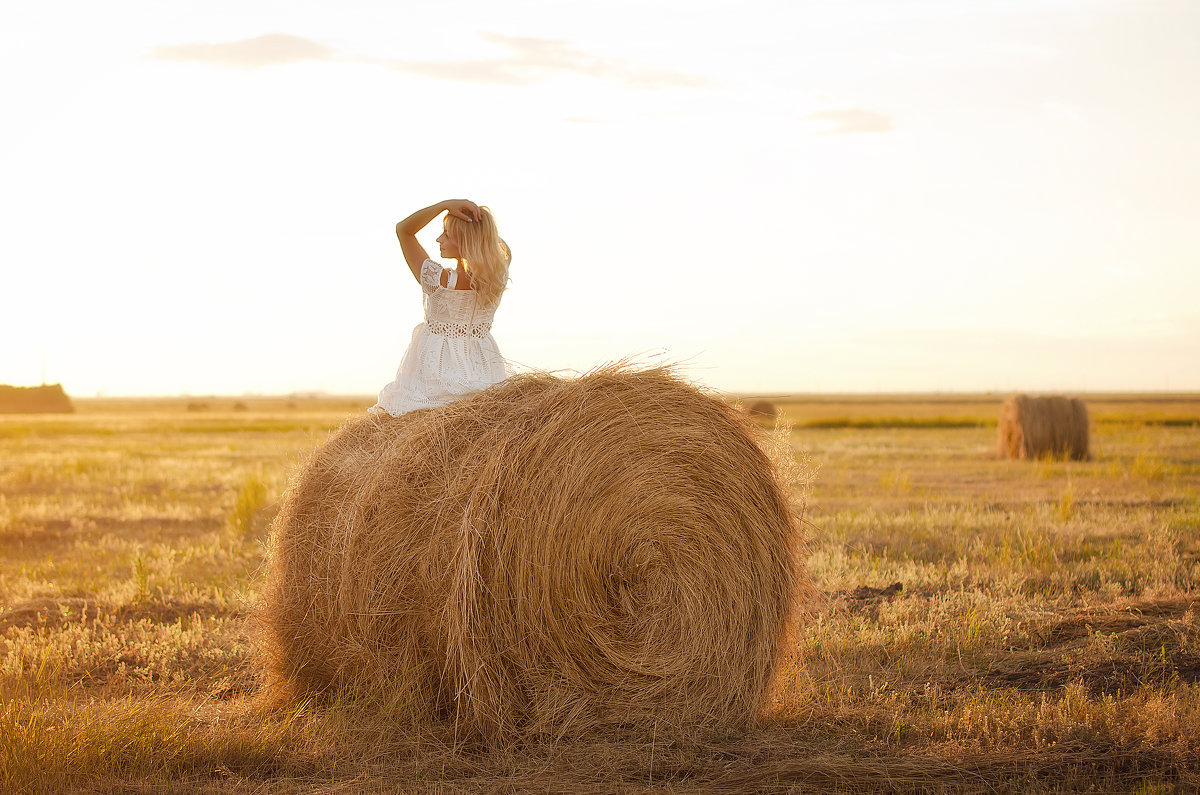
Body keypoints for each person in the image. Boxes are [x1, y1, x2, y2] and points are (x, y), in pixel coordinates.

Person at [369, 199, 510, 417]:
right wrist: (478, 224)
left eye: (446, 234)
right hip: (486, 369)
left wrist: (445, 206)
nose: (438, 239)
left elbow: (404, 230)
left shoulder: (439, 280)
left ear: (465, 240)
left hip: (439, 373)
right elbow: (490, 241)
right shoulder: (497, 278)